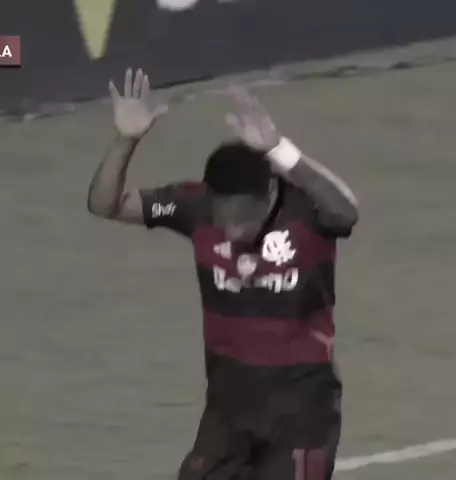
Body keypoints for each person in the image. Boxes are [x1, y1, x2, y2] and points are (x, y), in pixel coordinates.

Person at [87, 68, 359, 480]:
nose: (231, 231)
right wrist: (127, 140)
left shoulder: (308, 212)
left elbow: (347, 212)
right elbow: (104, 204)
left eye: (244, 219)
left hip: (303, 410)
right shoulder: (193, 206)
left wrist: (281, 150)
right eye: (223, 216)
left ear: (271, 193)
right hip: (229, 410)